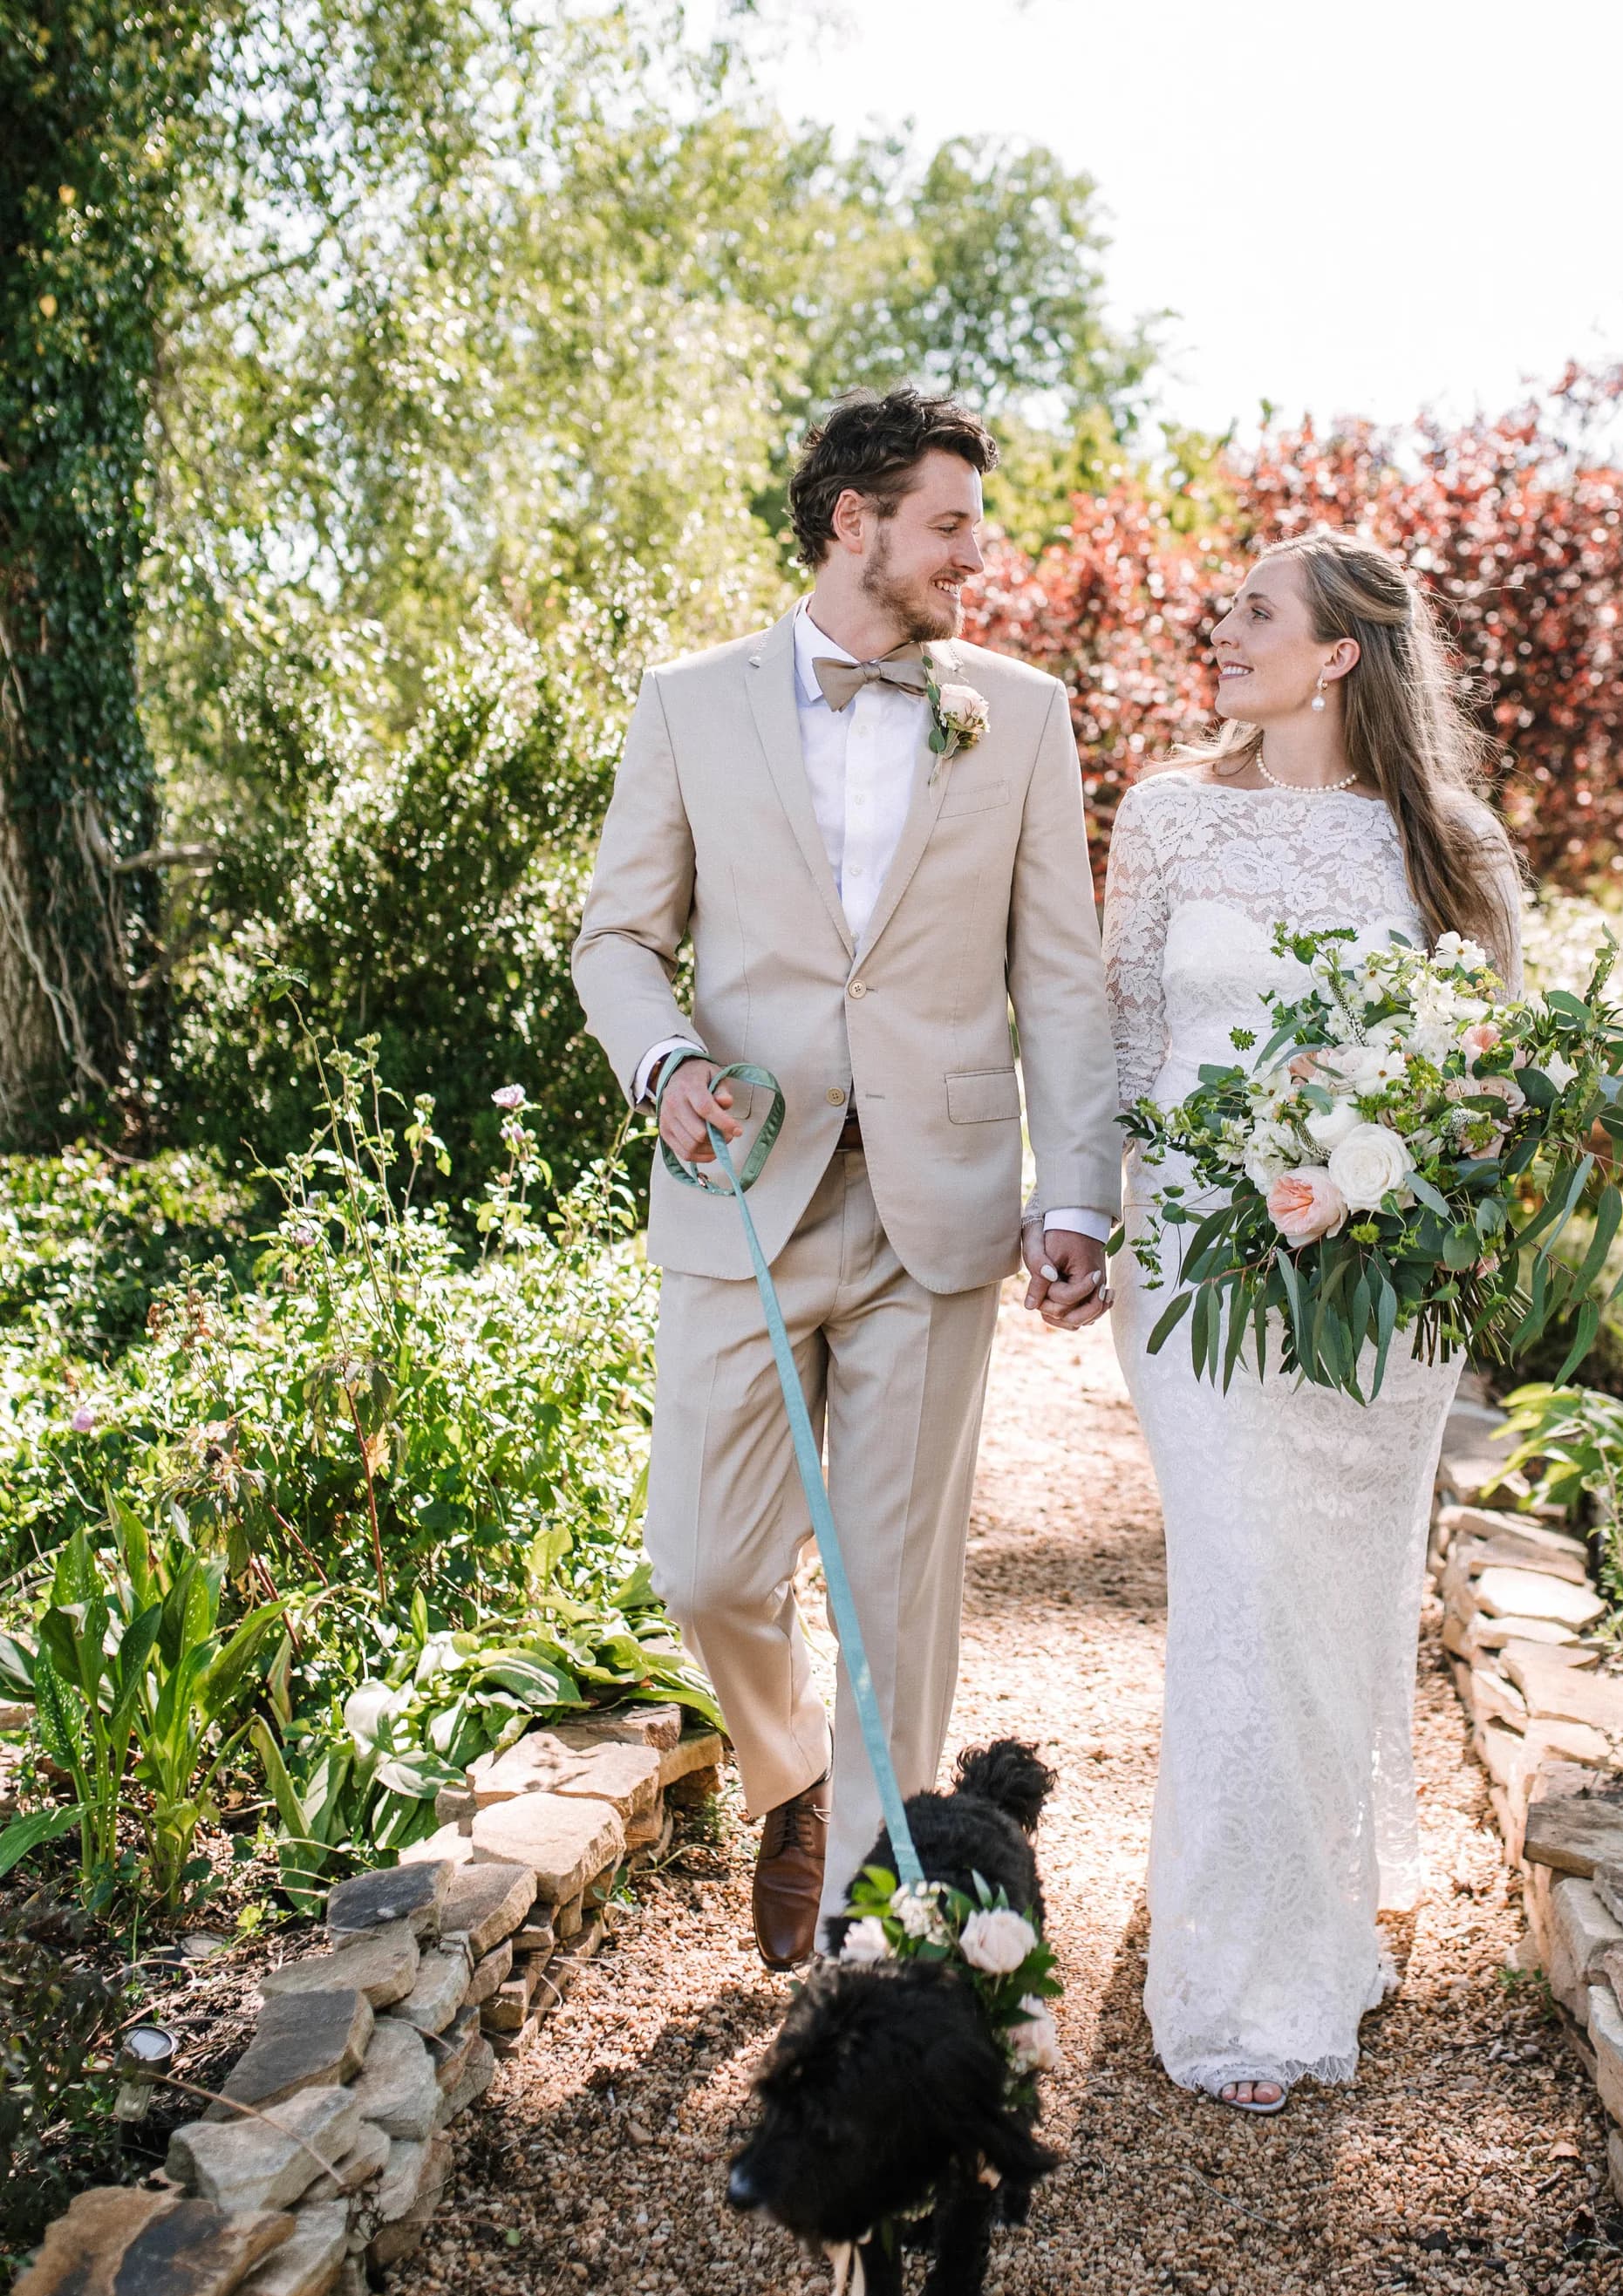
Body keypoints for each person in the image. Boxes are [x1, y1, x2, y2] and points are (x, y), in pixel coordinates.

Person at [572, 385, 1121, 1969]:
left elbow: (1061, 974)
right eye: (949, 521)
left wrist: (1075, 1190)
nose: (975, 551)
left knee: (897, 1586)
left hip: (936, 1202)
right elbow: (619, 934)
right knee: (707, 1561)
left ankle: (869, 1951)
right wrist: (666, 1065)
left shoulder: (1019, 712)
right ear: (852, 523)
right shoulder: (690, 703)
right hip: (742, 1185)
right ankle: (795, 1769)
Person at [1102, 528, 1523, 2110]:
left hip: (1374, 1294)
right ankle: (1245, 1982)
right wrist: (1083, 1212)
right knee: (1241, 1579)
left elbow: (1487, 1089)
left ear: (1339, 651)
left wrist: (1391, 1178)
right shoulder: (1168, 815)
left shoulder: (1450, 849)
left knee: (1331, 1605)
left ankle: (1318, 1906)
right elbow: (1124, 1031)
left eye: (1253, 611)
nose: (1221, 629)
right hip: (1203, 1273)